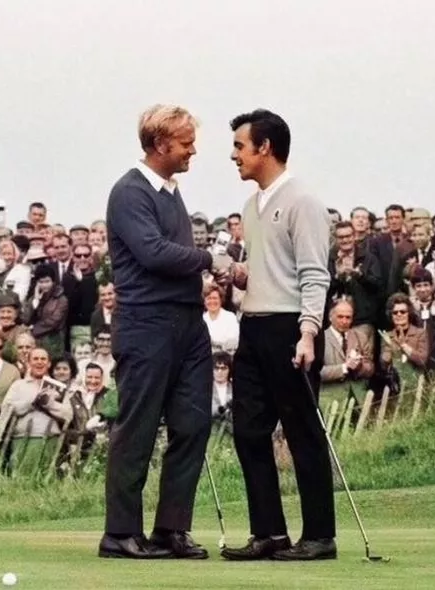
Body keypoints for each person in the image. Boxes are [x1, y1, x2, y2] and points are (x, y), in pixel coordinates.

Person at [100, 104, 229, 560]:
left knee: (193, 425)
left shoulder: (170, 191)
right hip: (146, 325)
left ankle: (171, 529)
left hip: (186, 325)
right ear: (159, 144)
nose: (193, 149)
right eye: (186, 142)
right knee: (136, 429)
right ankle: (120, 533)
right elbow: (154, 254)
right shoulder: (129, 192)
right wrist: (211, 260)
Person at [220, 109, 336, 562]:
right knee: (249, 431)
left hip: (291, 328)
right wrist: (244, 274)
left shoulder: (303, 201)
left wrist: (308, 334)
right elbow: (273, 267)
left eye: (239, 147)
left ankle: (320, 536)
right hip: (253, 327)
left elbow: (314, 273)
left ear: (264, 148)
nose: (234, 156)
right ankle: (269, 532)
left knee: (302, 432)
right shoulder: (251, 207)